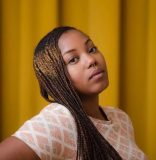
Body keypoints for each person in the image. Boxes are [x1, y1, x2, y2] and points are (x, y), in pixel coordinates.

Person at [0, 26, 147, 160]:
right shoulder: (60, 119)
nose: (91, 60)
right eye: (73, 59)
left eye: (92, 49)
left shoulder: (121, 119)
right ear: (56, 76)